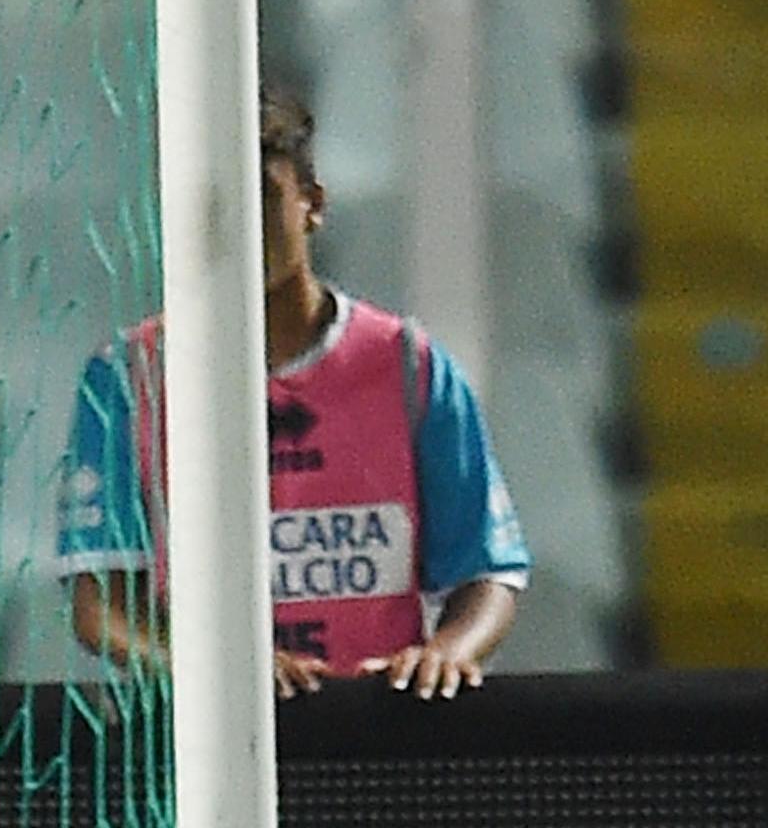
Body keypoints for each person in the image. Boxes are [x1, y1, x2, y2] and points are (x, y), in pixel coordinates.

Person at [56, 88, 530, 701]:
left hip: (374, 737)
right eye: (213, 204)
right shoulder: (126, 377)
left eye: (262, 196)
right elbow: (100, 609)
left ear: (314, 203)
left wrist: (446, 651)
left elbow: (487, 570)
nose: (240, 227)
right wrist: (213, 680)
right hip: (202, 762)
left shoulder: (409, 365)